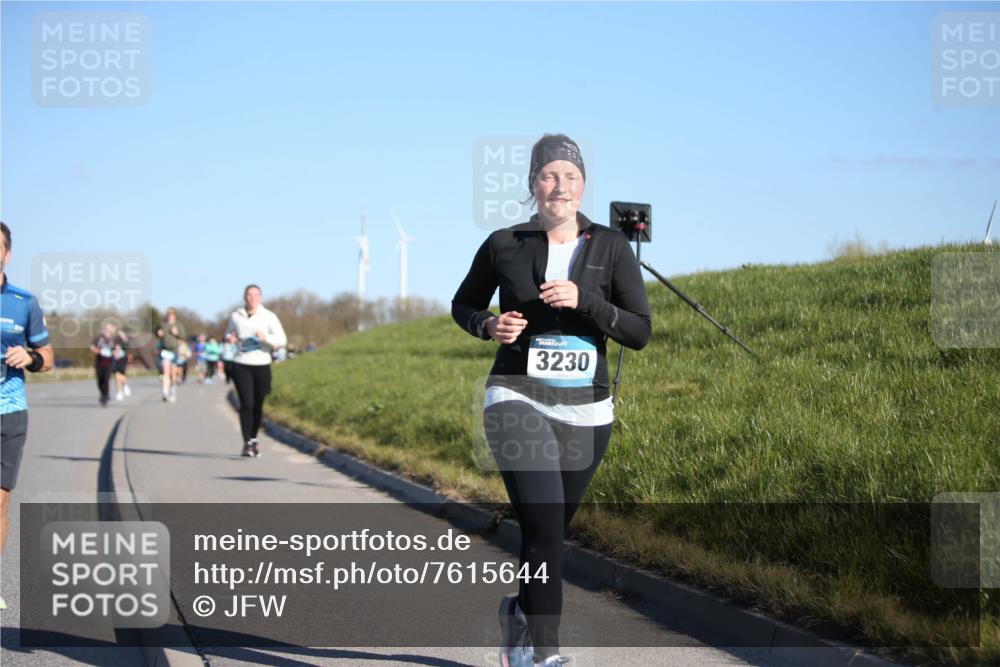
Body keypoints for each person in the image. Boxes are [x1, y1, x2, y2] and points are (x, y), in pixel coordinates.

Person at [452, 135, 651, 667]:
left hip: (588, 409)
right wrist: (488, 324)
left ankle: (520, 615)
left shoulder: (611, 246)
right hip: (517, 395)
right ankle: (545, 656)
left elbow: (639, 331)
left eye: (570, 176)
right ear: (532, 184)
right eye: (548, 175)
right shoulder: (503, 243)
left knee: (549, 535)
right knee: (542, 524)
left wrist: (587, 302)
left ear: (583, 186)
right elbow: (463, 303)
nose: (559, 186)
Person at [0, 222, 55, 610]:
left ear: (7, 254)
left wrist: (31, 357)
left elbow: (48, 358)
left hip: (9, 411)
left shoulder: (24, 303)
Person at [225, 284, 287, 457]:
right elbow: (227, 334)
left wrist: (266, 337)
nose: (252, 298)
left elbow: (282, 339)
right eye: (249, 295)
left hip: (262, 363)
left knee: (258, 404)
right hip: (241, 362)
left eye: (255, 295)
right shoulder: (236, 316)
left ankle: (253, 438)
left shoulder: (268, 316)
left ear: (260, 297)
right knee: (246, 403)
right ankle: (247, 443)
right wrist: (230, 338)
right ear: (245, 297)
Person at [89, 321, 122, 407]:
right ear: (104, 328)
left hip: (109, 362)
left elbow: (117, 348)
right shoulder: (98, 337)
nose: (108, 329)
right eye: (107, 327)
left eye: (110, 327)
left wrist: (117, 353)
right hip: (99, 362)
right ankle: (102, 393)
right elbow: (92, 346)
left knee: (106, 379)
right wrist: (96, 350)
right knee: (100, 381)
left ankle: (105, 396)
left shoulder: (113, 338)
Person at [156, 307, 186, 402]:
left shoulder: (178, 325)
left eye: (172, 315)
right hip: (165, 351)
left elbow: (183, 336)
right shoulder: (163, 324)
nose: (170, 316)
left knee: (173, 373)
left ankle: (173, 390)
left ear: (174, 315)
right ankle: (165, 392)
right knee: (166, 372)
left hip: (174, 351)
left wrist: (176, 333)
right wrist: (158, 333)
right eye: (169, 314)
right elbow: (156, 333)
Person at [112, 327, 131, 401]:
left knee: (121, 374)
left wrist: (124, 337)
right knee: (117, 375)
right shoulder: (113, 340)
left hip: (123, 359)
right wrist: (114, 352)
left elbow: (127, 346)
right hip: (115, 359)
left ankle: (125, 385)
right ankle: (120, 392)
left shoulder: (124, 341)